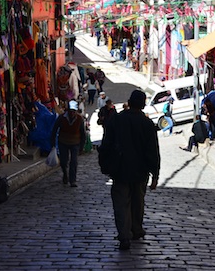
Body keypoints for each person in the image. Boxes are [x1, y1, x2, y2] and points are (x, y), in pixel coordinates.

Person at [99, 89, 160, 250]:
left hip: (120, 170)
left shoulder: (116, 120)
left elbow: (106, 144)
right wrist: (155, 174)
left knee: (121, 204)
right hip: (140, 172)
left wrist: (105, 164)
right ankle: (136, 229)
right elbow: (153, 151)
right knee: (137, 203)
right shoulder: (147, 124)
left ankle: (124, 235)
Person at [50, 100, 86, 187]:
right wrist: (53, 143)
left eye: (74, 111)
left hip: (75, 142)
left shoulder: (79, 119)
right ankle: (65, 174)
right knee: (63, 161)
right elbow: (54, 129)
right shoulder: (62, 118)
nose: (72, 113)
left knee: (74, 161)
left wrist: (81, 146)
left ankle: (72, 180)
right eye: (71, 111)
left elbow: (83, 133)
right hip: (63, 142)